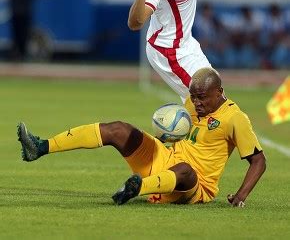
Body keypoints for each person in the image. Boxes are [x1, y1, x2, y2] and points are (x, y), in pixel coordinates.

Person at [17, 67, 266, 207]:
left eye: (203, 98)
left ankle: (136, 188)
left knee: (186, 169)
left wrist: (240, 195)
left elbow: (259, 161)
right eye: (194, 97)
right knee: (119, 129)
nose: (196, 103)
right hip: (164, 159)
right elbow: (184, 135)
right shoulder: (192, 103)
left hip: (193, 186)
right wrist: (164, 136)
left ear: (219, 92)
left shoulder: (235, 118)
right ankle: (40, 147)